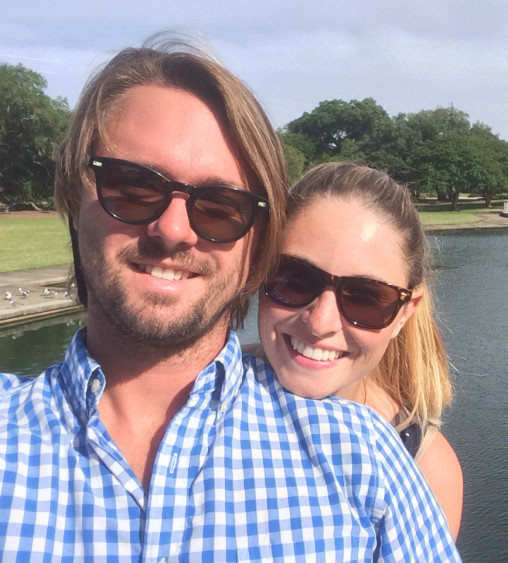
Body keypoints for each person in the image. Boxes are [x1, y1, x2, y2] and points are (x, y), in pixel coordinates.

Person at [0, 35, 459, 561]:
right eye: (132, 186)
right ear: (73, 194)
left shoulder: (366, 460)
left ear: (255, 243)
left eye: (219, 206)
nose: (172, 229)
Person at [254, 162, 463, 537]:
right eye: (294, 279)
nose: (320, 322)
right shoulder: (196, 393)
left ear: (404, 314)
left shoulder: (426, 469)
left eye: (367, 298)